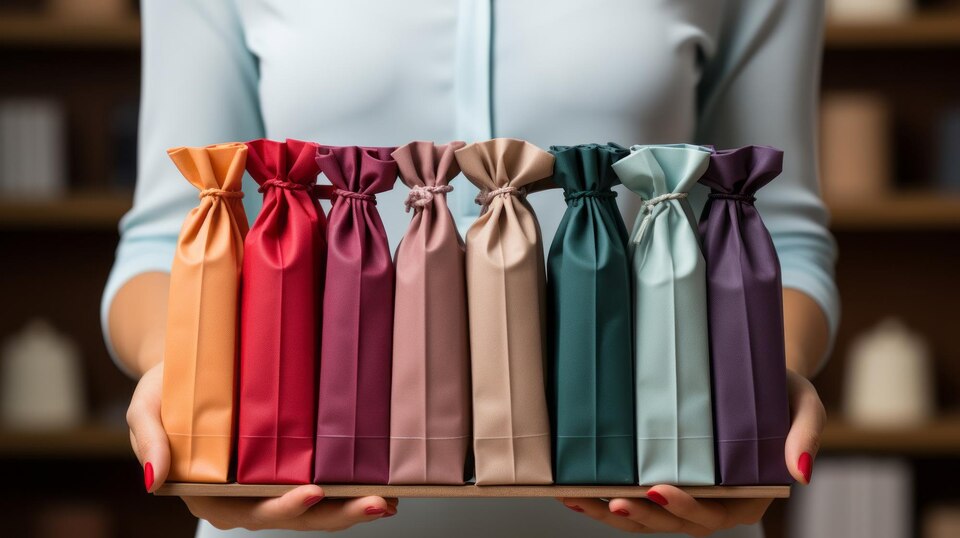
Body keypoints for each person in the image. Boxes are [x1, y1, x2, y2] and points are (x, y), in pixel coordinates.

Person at [103, 1, 837, 536]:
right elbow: (164, 237)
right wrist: (184, 385)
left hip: (664, 503)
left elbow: (781, 229)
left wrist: (766, 388)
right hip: (291, 510)